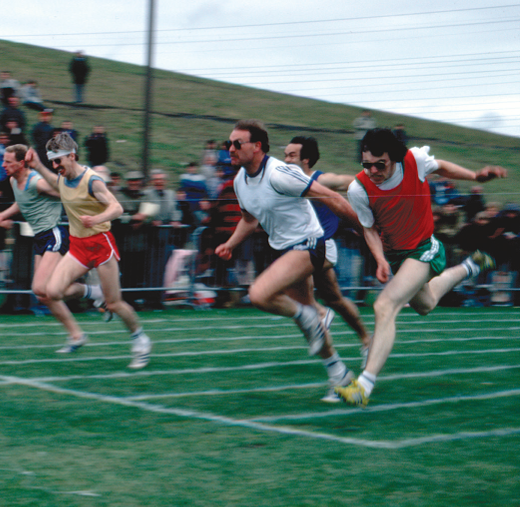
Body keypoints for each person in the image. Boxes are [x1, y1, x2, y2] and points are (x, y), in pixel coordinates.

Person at [334, 128, 508, 407]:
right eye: (367, 164)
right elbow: (368, 229)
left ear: (395, 157)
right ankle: (471, 266)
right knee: (425, 304)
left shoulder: (413, 161)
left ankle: (363, 386)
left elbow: (441, 167)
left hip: (425, 249)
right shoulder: (358, 189)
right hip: (395, 257)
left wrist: (475, 176)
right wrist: (379, 259)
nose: (374, 170)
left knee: (384, 305)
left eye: (381, 164)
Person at [214, 120, 364, 399]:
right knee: (311, 330)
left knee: (259, 294)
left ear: (257, 147)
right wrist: (230, 244)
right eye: (228, 144)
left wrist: (368, 233)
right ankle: (341, 378)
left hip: (313, 245)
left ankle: (315, 315)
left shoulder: (280, 174)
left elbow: (332, 197)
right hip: (290, 251)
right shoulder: (239, 181)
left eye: (237, 144)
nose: (230, 149)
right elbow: (249, 220)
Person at [24, 134, 152, 368]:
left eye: (58, 161)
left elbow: (117, 207)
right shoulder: (63, 177)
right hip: (78, 246)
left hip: (100, 245)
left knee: (115, 304)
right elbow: (55, 182)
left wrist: (97, 218)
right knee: (52, 291)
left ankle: (140, 339)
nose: (56, 166)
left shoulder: (92, 180)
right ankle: (95, 293)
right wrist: (37, 166)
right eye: (52, 162)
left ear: (72, 156)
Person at [0, 143, 109, 350]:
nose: (3, 164)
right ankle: (78, 330)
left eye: (8, 161)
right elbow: (22, 203)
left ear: (21, 163)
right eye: (3, 160)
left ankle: (92, 295)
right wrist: (1, 216)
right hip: (40, 238)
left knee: (43, 289)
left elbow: (65, 193)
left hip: (55, 233)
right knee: (42, 293)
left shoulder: (37, 182)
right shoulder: (14, 181)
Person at [283, 136, 371, 375]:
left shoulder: (320, 179)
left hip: (321, 246)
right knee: (335, 299)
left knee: (291, 287)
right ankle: (366, 339)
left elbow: (349, 181)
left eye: (292, 155)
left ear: (306, 159)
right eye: (286, 155)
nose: (286, 159)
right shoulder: (285, 183)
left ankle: (320, 314)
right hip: (300, 248)